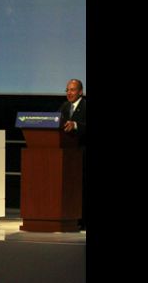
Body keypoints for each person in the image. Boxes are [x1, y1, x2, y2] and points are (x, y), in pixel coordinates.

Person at [60, 78, 87, 230]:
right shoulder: (64, 106)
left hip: (83, 153)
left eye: (72, 90)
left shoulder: (85, 106)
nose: (69, 93)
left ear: (81, 92)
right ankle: (71, 218)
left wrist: (76, 125)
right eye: (67, 90)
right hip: (68, 156)